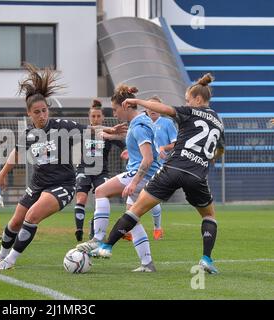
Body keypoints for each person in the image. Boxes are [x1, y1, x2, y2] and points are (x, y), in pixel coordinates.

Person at [0, 63, 126, 270]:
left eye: (44, 110)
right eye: (37, 112)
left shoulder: (62, 126)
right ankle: (1, 255)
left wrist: (110, 129)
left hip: (62, 185)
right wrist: (2, 175)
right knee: (15, 222)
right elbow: (16, 153)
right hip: (38, 184)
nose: (42, 115)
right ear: (29, 114)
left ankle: (10, 261)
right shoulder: (29, 135)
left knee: (32, 216)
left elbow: (91, 130)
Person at [94, 73, 225, 274]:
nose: (186, 103)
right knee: (209, 216)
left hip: (173, 169)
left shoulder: (190, 112)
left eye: (188, 100)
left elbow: (164, 109)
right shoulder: (218, 121)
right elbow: (218, 150)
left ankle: (106, 246)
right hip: (197, 175)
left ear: (198, 100)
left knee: (136, 209)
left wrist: (138, 101)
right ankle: (206, 259)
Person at [76, 84, 161, 272]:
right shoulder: (143, 122)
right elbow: (145, 154)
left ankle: (97, 239)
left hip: (143, 176)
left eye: (115, 109)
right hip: (149, 175)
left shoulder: (138, 126)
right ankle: (147, 264)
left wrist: (134, 182)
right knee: (133, 218)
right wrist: (131, 154)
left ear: (126, 106)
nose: (114, 113)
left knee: (100, 191)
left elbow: (147, 159)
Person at [73, 99, 125, 242]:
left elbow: (123, 145)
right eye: (93, 116)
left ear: (103, 117)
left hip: (101, 172)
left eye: (98, 116)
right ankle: (79, 230)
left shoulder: (107, 133)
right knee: (81, 198)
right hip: (84, 169)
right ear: (89, 117)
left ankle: (94, 225)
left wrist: (126, 151)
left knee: (101, 199)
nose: (96, 119)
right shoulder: (83, 132)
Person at [145, 96, 178, 240]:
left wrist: (164, 147)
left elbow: (176, 143)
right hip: (142, 164)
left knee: (152, 197)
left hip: (160, 166)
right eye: (150, 107)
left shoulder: (167, 123)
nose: (153, 109)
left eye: (156, 106)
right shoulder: (142, 123)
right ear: (146, 109)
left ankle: (157, 228)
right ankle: (129, 230)